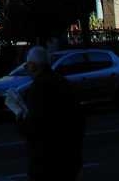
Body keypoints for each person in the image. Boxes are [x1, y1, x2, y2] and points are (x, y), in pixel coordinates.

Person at [16, 46, 85, 181]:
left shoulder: (37, 89)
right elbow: (79, 120)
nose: (27, 69)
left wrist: (20, 118)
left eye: (27, 65)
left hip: (45, 161)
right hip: (68, 158)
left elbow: (33, 127)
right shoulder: (64, 83)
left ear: (34, 66)